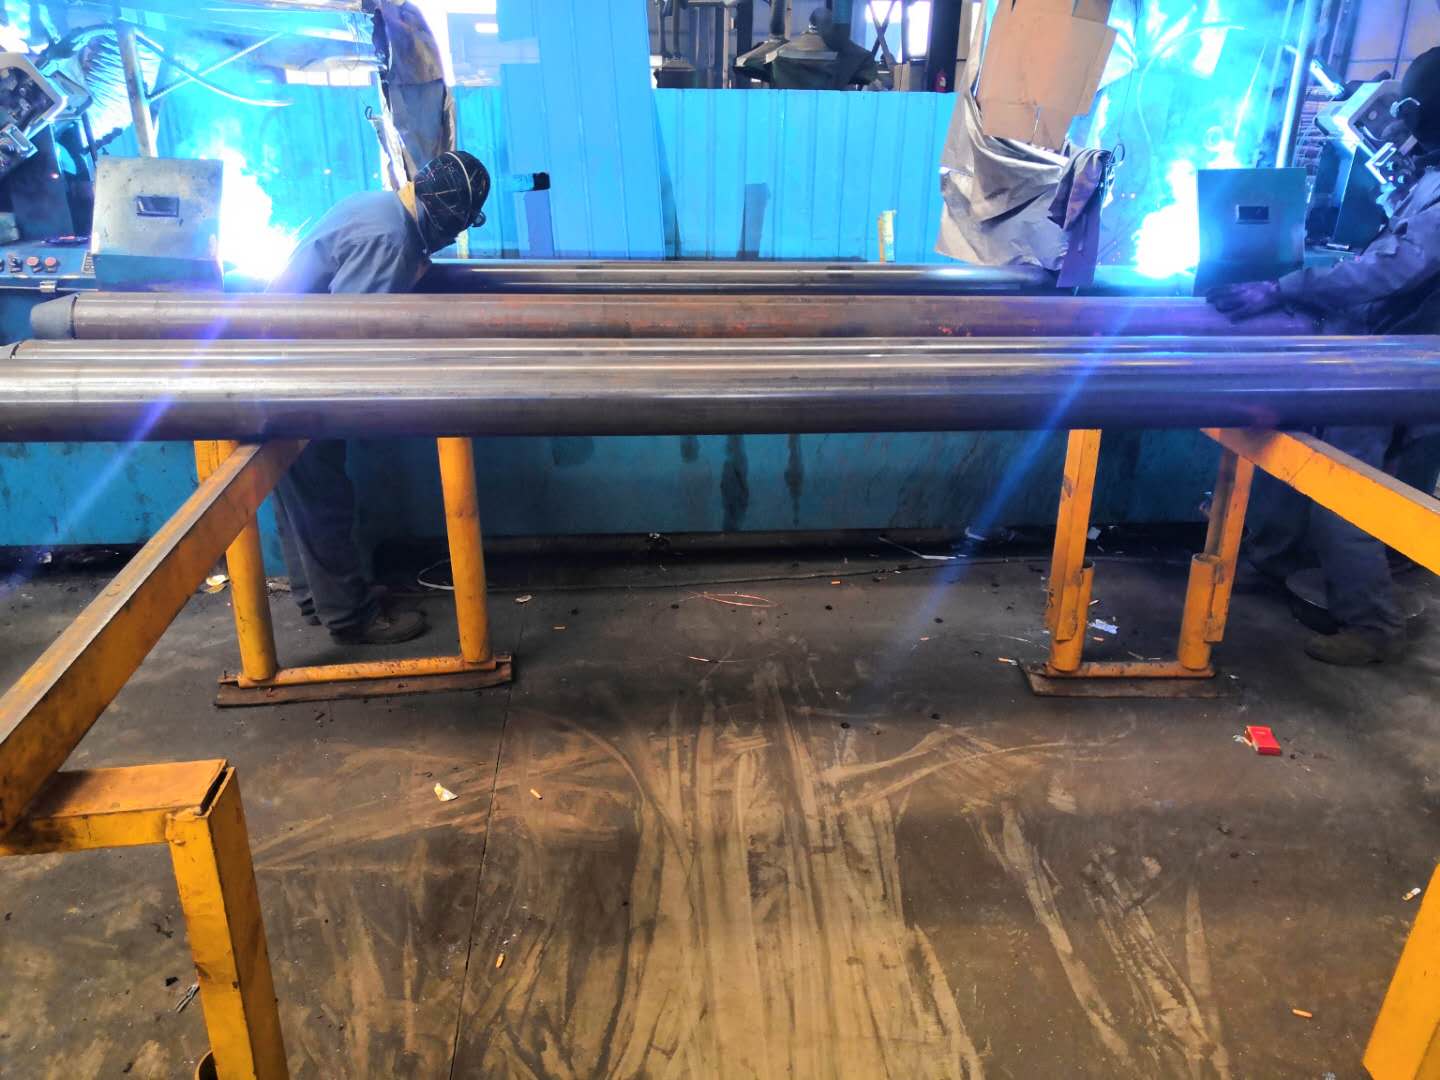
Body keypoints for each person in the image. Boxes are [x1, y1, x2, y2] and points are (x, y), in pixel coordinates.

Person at [1209, 48, 1440, 666]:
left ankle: (1373, 624)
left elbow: (1389, 271)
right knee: (1291, 447)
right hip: (1379, 353)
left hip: (1403, 368)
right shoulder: (1429, 180)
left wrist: (1283, 289)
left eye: (1407, 114)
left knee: (1345, 488)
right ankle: (1270, 558)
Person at [267, 150, 491, 644]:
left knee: (302, 497)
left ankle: (319, 599)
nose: (450, 240)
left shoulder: (378, 206)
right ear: (444, 214)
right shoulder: (391, 239)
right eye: (455, 228)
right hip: (300, 375)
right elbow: (354, 337)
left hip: (285, 364)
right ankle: (351, 617)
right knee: (322, 498)